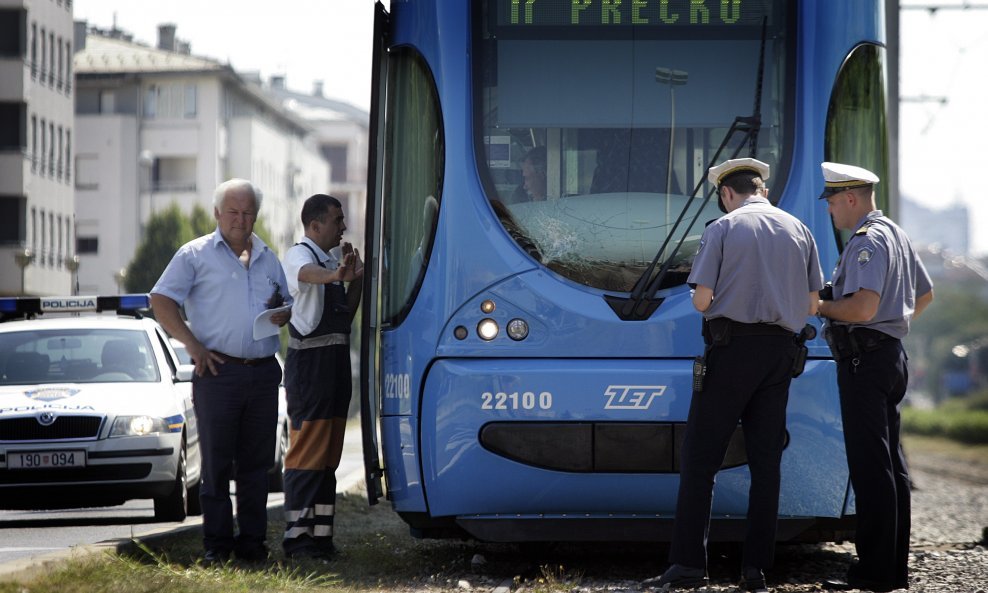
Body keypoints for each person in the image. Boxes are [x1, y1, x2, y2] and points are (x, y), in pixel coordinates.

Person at [645, 158, 823, 592]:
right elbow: (813, 305)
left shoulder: (722, 229)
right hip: (781, 354)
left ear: (727, 194)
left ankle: (688, 565)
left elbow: (702, 302)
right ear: (762, 189)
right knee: (766, 464)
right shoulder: (799, 230)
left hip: (731, 351)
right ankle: (755, 571)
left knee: (701, 459)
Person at [151, 178, 291, 565]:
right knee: (215, 465)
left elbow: (285, 302)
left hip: (263, 373)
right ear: (217, 213)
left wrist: (283, 313)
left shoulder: (268, 257)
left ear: (255, 216)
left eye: (248, 213)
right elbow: (160, 300)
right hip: (218, 373)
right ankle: (216, 545)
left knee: (256, 466)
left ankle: (252, 544)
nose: (240, 219)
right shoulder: (194, 254)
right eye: (232, 211)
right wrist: (192, 345)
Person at [816, 162, 933, 593]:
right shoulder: (896, 234)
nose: (829, 210)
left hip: (866, 362)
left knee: (870, 468)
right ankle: (890, 571)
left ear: (850, 198)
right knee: (891, 469)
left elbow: (862, 308)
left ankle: (874, 574)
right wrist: (893, 325)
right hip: (887, 357)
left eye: (831, 201)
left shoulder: (867, 240)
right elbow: (925, 294)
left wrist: (819, 306)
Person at [280, 194, 363, 561]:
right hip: (310, 371)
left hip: (335, 368)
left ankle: (321, 539)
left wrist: (355, 277)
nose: (343, 226)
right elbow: (303, 276)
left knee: (328, 460)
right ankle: (297, 540)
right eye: (337, 219)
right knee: (306, 457)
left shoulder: (331, 260)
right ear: (315, 226)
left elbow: (345, 317)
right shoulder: (300, 254)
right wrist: (336, 274)